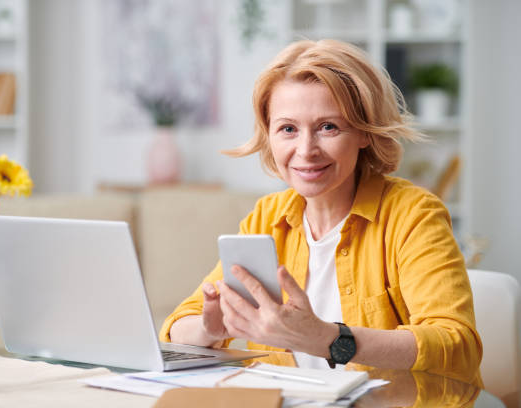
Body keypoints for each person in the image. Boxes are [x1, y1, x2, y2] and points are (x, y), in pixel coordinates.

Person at [158, 39, 482, 386]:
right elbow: (178, 327)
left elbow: (456, 343)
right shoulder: (267, 217)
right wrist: (211, 327)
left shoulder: (413, 214)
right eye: (288, 129)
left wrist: (329, 339)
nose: (306, 150)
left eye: (328, 127)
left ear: (363, 132)